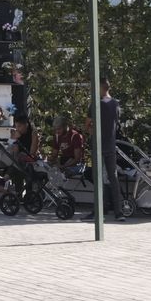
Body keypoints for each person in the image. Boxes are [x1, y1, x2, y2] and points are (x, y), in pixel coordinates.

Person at [83, 78, 125, 222]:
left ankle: (98, 211)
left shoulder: (95, 104)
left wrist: (91, 131)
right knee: (113, 178)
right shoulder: (116, 104)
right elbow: (116, 123)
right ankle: (119, 212)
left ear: (100, 88)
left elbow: (87, 124)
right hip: (111, 145)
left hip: (98, 145)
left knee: (98, 178)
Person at [52, 114, 86, 180]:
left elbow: (77, 159)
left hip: (75, 164)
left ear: (65, 127)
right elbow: (54, 155)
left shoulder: (75, 136)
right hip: (64, 161)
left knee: (66, 172)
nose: (57, 131)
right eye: (55, 129)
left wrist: (64, 166)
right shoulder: (56, 136)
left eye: (59, 129)